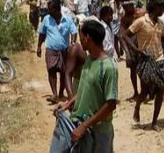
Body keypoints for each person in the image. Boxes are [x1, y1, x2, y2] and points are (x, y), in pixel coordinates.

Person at [51, 20, 118, 153]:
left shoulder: (109, 67)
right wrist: (67, 104)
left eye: (81, 35)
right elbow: (83, 90)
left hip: (99, 133)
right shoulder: (88, 60)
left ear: (87, 38)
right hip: (80, 126)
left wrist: (84, 126)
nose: (79, 39)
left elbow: (111, 104)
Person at [123, 0, 164, 130]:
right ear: (155, 8)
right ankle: (137, 106)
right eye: (161, 8)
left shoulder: (160, 23)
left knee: (160, 90)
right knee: (145, 91)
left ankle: (154, 122)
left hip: (159, 59)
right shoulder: (141, 21)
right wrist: (136, 50)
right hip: (145, 61)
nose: (163, 10)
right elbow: (125, 35)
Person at [38, 0, 79, 103]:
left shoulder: (67, 20)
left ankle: (61, 92)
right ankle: (54, 94)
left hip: (64, 51)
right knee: (51, 71)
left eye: (51, 10)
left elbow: (74, 31)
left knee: (64, 72)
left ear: (57, 10)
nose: (49, 12)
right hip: (51, 50)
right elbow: (42, 34)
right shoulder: (47, 19)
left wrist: (72, 43)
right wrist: (39, 47)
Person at [119, 0, 144, 100]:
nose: (124, 8)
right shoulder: (125, 19)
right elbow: (122, 35)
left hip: (142, 46)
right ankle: (136, 92)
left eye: (126, 6)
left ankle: (145, 91)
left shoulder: (141, 14)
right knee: (133, 71)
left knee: (143, 70)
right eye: (123, 7)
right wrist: (126, 51)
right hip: (132, 48)